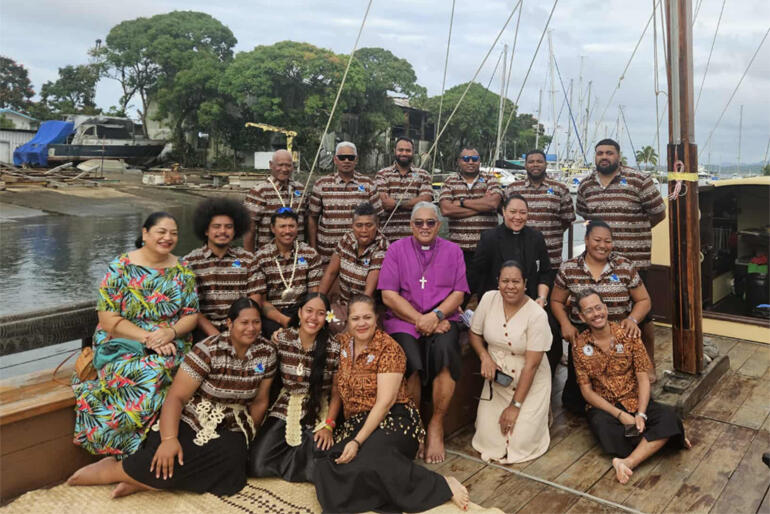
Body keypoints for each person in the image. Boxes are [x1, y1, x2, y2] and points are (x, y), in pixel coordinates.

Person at [67, 298, 276, 497]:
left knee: (233, 472)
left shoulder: (266, 353)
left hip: (232, 425)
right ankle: (114, 471)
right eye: (244, 322)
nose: (251, 328)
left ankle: (147, 484)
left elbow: (260, 401)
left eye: (256, 322)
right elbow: (176, 397)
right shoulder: (208, 350)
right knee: (170, 456)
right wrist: (169, 440)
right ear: (230, 323)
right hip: (194, 420)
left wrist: (248, 436)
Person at [313, 295, 470, 512]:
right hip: (357, 422)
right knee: (327, 464)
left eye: (367, 317)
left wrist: (356, 442)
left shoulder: (389, 349)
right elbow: (336, 387)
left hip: (395, 420)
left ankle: (443, 485)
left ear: (376, 318)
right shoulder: (341, 344)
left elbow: (384, 403)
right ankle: (382, 490)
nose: (361, 323)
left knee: (372, 459)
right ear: (347, 321)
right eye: (356, 318)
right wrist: (330, 423)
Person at [71, 212, 199, 457]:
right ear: (145, 233)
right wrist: (148, 338)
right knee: (138, 373)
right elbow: (108, 320)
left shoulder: (183, 270)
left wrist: (169, 332)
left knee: (163, 369)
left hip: (170, 341)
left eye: (173, 233)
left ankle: (144, 450)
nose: (167, 237)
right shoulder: (121, 267)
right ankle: (122, 449)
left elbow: (191, 315)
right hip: (122, 340)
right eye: (161, 231)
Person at [377, 201, 469, 464]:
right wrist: (422, 320)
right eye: (419, 223)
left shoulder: (453, 251)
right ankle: (416, 423)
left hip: (442, 318)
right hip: (405, 320)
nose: (425, 227)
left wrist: (436, 316)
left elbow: (459, 292)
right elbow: (388, 295)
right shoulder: (396, 250)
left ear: (439, 225)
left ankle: (436, 425)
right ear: (411, 225)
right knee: (409, 359)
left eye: (431, 222)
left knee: (446, 353)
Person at [571, 288, 689, 484]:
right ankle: (663, 440)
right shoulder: (579, 347)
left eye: (598, 307)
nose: (596, 314)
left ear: (606, 309)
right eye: (589, 311)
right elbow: (587, 392)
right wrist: (621, 415)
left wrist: (641, 414)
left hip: (635, 399)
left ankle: (628, 462)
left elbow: (643, 378)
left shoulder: (629, 335)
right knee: (607, 432)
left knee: (668, 415)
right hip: (605, 407)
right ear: (582, 317)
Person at [577, 138, 665, 377]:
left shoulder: (639, 180)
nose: (604, 157)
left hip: (634, 259)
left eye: (609, 153)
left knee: (643, 316)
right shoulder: (586, 185)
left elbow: (658, 213)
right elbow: (585, 214)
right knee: (603, 311)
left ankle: (648, 364)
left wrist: (634, 234)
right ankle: (605, 362)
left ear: (618, 155)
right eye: (600, 153)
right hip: (598, 262)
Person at [551, 219, 652, 413]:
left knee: (630, 395)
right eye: (597, 240)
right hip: (582, 337)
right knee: (576, 403)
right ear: (587, 240)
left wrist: (632, 320)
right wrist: (565, 323)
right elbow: (556, 301)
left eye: (608, 241)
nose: (603, 245)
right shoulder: (569, 268)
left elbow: (644, 300)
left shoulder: (625, 266)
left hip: (618, 334)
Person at [248, 293, 341, 483]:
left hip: (316, 408)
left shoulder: (334, 348)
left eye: (320, 313)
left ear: (326, 318)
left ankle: (301, 456)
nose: (313, 318)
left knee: (322, 464)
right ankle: (295, 460)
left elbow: (336, 393)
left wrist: (329, 425)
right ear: (299, 312)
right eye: (309, 311)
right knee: (257, 464)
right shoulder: (282, 338)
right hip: (286, 405)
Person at [469, 261, 552, 464]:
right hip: (499, 381)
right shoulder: (489, 299)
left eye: (516, 281)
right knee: (488, 440)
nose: (510, 286)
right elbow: (474, 333)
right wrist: (485, 357)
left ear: (525, 284)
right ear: (498, 282)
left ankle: (542, 414)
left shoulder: (537, 315)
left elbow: (532, 366)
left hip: (530, 381)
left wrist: (515, 406)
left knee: (520, 442)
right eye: (505, 281)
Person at [470, 194, 559, 373]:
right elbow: (476, 273)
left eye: (522, 213)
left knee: (554, 332)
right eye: (512, 212)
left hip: (532, 301)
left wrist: (541, 299)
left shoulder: (536, 238)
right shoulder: (489, 238)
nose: (517, 217)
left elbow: (545, 273)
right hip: (498, 302)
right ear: (503, 212)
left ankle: (543, 376)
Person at [184, 198, 259, 338]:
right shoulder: (190, 262)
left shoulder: (248, 260)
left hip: (242, 327)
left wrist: (237, 330)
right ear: (206, 230)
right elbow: (192, 308)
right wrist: (215, 335)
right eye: (216, 226)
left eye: (228, 227)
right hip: (204, 330)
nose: (223, 231)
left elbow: (255, 299)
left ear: (236, 230)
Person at [307, 141, 383, 263]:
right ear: (335, 160)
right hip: (327, 254)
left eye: (351, 157)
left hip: (358, 254)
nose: (346, 161)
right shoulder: (321, 184)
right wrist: (313, 249)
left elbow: (378, 217)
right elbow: (312, 217)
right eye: (342, 157)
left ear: (356, 160)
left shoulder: (368, 184)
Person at [253, 208, 323, 338]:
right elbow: (262, 302)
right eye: (282, 226)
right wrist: (285, 321)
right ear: (273, 229)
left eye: (291, 226)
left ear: (297, 228)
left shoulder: (309, 254)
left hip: (302, 312)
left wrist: (304, 317)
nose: (287, 231)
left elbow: (314, 294)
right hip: (273, 314)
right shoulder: (260, 257)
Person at [318, 202, 389, 327]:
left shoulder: (382, 247)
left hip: (367, 309)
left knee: (347, 331)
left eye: (369, 225)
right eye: (359, 225)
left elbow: (369, 291)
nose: (363, 230)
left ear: (377, 225)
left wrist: (355, 318)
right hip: (343, 304)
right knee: (322, 321)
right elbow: (331, 273)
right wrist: (318, 301)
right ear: (352, 225)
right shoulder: (347, 239)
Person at [505, 149, 575, 269]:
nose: (535, 165)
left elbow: (567, 219)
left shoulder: (560, 189)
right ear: (525, 165)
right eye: (531, 162)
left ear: (546, 164)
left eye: (539, 161)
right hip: (518, 258)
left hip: (551, 257)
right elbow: (507, 220)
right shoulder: (512, 189)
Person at [438, 146, 503, 271]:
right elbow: (446, 210)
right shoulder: (450, 181)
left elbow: (493, 204)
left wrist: (461, 202)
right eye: (466, 159)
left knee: (486, 289)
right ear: (459, 161)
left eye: (474, 159)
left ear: (479, 161)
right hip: (458, 250)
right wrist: (482, 206)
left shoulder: (491, 179)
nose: (471, 162)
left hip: (488, 249)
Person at [243, 149, 305, 253]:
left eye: (288, 165)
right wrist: (249, 258)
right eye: (280, 165)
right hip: (269, 257)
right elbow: (249, 228)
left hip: (297, 256)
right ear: (271, 165)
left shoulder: (300, 189)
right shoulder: (259, 191)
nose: (284, 169)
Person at [375, 137, 434, 242]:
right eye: (400, 150)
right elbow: (384, 204)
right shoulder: (382, 174)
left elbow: (426, 201)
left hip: (415, 238)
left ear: (413, 152)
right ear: (394, 151)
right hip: (386, 239)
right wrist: (413, 202)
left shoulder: (423, 175)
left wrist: (397, 203)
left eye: (408, 150)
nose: (404, 153)